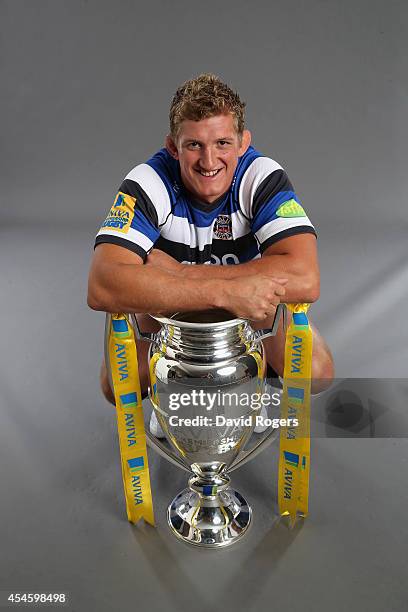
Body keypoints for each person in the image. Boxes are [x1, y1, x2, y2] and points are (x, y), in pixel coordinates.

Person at [87, 73, 334, 435]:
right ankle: (172, 396)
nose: (209, 160)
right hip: (171, 320)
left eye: (222, 142)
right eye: (193, 145)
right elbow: (102, 285)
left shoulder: (261, 175)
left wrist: (176, 273)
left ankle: (248, 388)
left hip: (245, 317)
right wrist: (225, 290)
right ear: (173, 147)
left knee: (316, 372)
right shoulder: (148, 181)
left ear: (242, 142)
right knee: (117, 382)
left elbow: (306, 277)